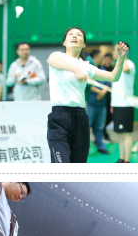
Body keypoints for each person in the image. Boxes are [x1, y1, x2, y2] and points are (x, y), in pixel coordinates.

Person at [47, 27, 129, 163]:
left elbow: (113, 76)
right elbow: (53, 62)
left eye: (78, 35)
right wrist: (74, 68)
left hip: (80, 118)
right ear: (64, 42)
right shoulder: (57, 56)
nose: (74, 36)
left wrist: (120, 59)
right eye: (71, 34)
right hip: (59, 118)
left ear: (84, 44)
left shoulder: (86, 66)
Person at [108, 42, 137, 163]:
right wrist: (112, 104)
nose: (115, 53)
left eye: (117, 50)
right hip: (117, 104)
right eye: (116, 50)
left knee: (126, 134)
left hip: (126, 104)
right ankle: (121, 158)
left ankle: (127, 161)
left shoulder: (129, 64)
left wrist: (122, 56)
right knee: (120, 134)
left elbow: (126, 69)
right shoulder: (117, 65)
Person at [85, 49, 110, 155]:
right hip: (91, 103)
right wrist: (99, 91)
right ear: (94, 57)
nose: (102, 59)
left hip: (102, 104)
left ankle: (100, 146)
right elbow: (87, 84)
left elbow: (107, 82)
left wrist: (103, 92)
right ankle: (84, 147)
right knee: (86, 126)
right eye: (100, 57)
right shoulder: (88, 69)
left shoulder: (103, 69)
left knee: (99, 127)